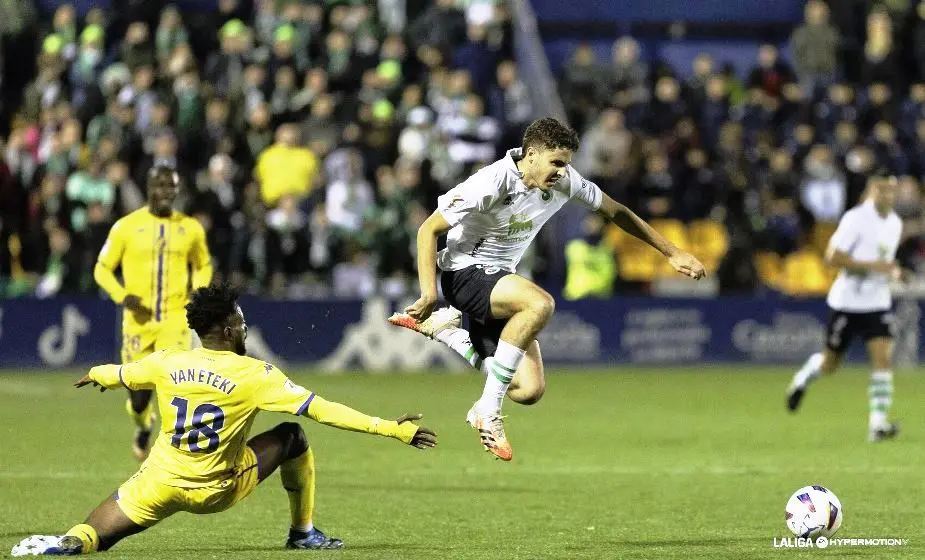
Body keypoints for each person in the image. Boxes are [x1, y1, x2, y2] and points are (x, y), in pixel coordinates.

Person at [11, 284, 436, 557]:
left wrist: (97, 375)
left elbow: (123, 373)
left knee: (93, 535)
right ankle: (303, 533)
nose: (245, 325)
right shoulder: (257, 376)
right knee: (293, 435)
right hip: (218, 489)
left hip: (157, 483)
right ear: (230, 328)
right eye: (240, 319)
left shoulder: (168, 361)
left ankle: (71, 542)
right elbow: (324, 409)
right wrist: (391, 428)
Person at [388, 117, 705, 461]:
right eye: (556, 163)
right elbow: (427, 230)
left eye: (566, 164)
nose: (561, 171)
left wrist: (673, 252)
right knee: (539, 304)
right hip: (464, 274)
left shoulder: (565, 181)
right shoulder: (491, 182)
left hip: (499, 281)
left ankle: (448, 333)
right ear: (532, 154)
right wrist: (429, 293)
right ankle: (486, 409)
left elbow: (618, 212)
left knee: (529, 390)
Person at [94, 164, 213, 461]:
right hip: (138, 322)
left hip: (175, 319)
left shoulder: (190, 228)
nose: (165, 192)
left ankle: (173, 451)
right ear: (148, 188)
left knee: (175, 385)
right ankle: (143, 423)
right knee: (138, 397)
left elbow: (203, 264)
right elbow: (102, 268)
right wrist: (123, 296)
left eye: (170, 186)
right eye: (159, 185)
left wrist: (197, 292)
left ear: (176, 190)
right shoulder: (126, 226)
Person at [786, 175, 903, 441]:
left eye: (890, 190)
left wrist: (894, 271)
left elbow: (885, 261)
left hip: (877, 302)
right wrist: (875, 267)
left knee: (883, 359)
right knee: (830, 363)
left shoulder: (895, 223)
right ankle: (802, 379)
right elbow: (832, 257)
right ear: (871, 191)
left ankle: (877, 425)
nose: (886, 195)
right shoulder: (855, 219)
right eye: (881, 190)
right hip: (848, 302)